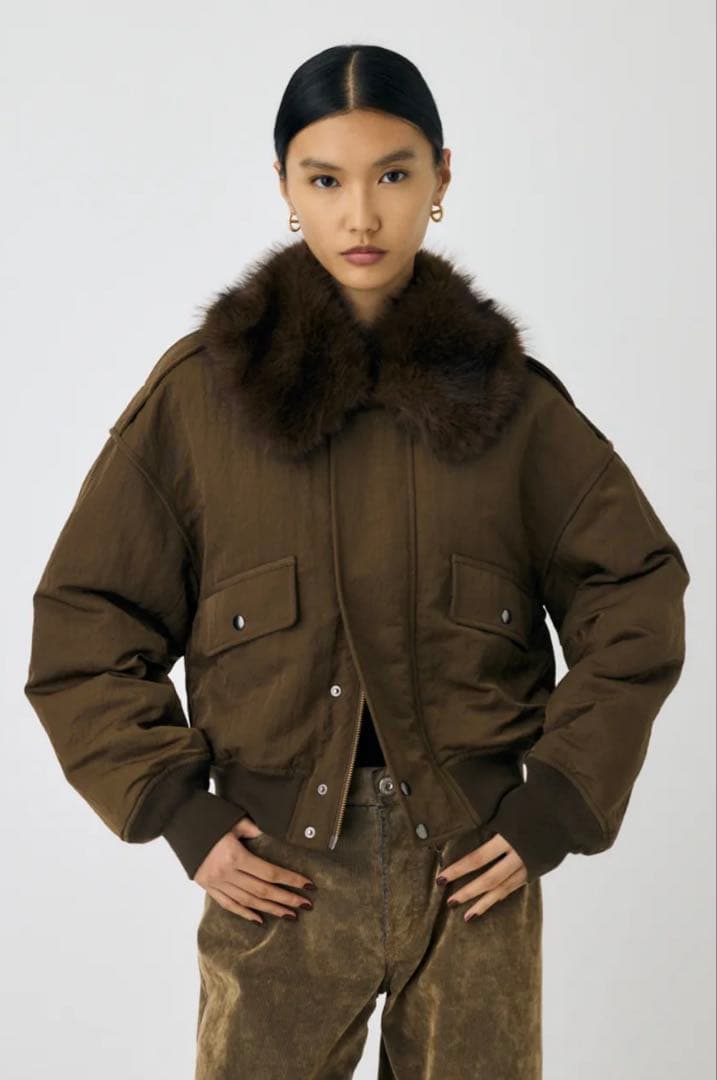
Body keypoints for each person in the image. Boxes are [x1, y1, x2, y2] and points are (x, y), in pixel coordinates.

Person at [24, 43, 690, 1080]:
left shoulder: (514, 406)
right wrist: (180, 813)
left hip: (473, 869)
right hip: (275, 873)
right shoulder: (200, 399)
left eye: (393, 173)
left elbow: (635, 589)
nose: (362, 215)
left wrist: (555, 805)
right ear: (284, 188)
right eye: (325, 180)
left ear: (442, 177)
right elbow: (86, 620)